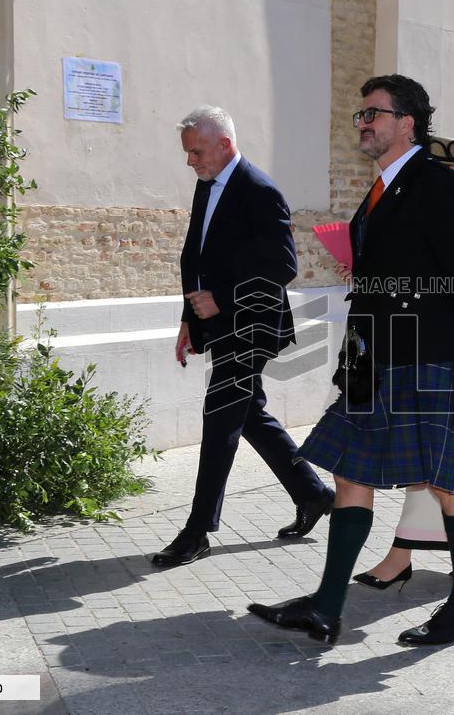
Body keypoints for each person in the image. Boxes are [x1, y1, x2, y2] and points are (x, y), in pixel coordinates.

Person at [247, 75, 454, 646]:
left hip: (428, 355)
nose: (363, 123)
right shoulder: (383, 188)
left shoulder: (436, 184)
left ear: (406, 122)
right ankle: (327, 605)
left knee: (451, 485)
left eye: (373, 114)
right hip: (376, 356)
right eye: (360, 115)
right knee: (351, 472)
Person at [151, 106, 335, 566]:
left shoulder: (259, 190)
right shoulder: (207, 184)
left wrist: (224, 301)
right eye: (189, 153)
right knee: (248, 413)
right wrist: (188, 320)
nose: (191, 161)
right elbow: (196, 256)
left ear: (224, 144)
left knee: (220, 420)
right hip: (219, 321)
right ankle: (312, 494)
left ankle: (197, 531)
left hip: (251, 323)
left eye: (196, 151)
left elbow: (282, 267)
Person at [353, 137, 454, 591]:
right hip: (431, 351)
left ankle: (409, 555)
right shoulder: (421, 218)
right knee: (450, 467)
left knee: (449, 467)